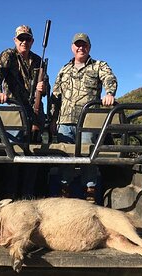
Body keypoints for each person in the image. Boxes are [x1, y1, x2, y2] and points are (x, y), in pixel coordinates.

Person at [50, 33, 118, 203]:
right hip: (64, 122)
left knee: (89, 156)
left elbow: (109, 78)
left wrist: (109, 93)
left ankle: (90, 194)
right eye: (77, 44)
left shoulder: (98, 66)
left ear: (89, 47)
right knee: (65, 158)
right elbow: (55, 96)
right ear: (72, 47)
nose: (81, 47)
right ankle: (64, 194)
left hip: (88, 121)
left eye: (84, 44)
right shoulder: (64, 70)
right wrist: (52, 120)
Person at [0, 25, 46, 199]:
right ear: (15, 40)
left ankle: (29, 194)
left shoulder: (39, 61)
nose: (24, 42)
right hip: (15, 111)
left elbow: (46, 86)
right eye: (21, 38)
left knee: (35, 153)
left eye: (27, 39)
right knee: (14, 152)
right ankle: (10, 194)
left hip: (35, 114)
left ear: (32, 41)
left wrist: (43, 88)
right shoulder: (8, 55)